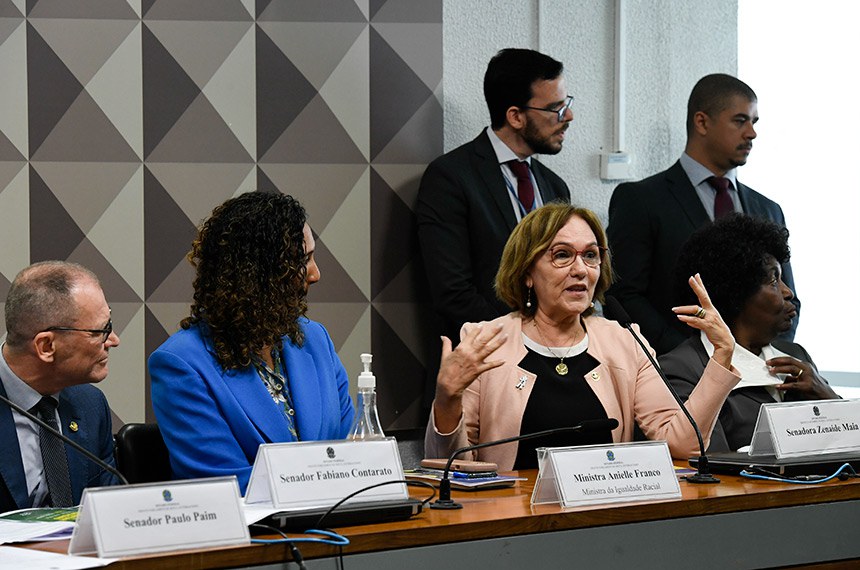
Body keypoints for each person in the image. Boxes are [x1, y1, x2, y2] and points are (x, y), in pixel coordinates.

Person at [425, 203, 741, 470]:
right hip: (513, 525)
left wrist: (722, 354)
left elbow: (683, 445)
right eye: (562, 255)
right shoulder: (484, 342)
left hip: (604, 515)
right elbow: (448, 467)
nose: (581, 270)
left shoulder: (625, 342)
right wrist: (447, 399)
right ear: (527, 274)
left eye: (590, 255)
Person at [149, 192, 354, 493]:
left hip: (344, 529)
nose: (316, 273)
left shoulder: (315, 340)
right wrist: (330, 480)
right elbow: (223, 483)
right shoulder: (181, 364)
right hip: (259, 536)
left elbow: (353, 449)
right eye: (303, 260)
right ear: (258, 275)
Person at [606, 73, 800, 355]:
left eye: (754, 122)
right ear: (702, 122)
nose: (752, 133)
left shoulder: (768, 209)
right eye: (740, 120)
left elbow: (789, 297)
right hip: (675, 374)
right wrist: (690, 358)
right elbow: (624, 296)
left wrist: (773, 359)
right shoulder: (641, 200)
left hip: (759, 377)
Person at [416, 48, 572, 344]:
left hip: (553, 363)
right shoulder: (450, 178)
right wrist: (524, 339)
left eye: (567, 105)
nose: (569, 117)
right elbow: (453, 293)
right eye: (556, 109)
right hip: (484, 362)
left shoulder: (555, 187)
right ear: (515, 116)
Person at [660, 215, 837, 452]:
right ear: (736, 292)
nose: (788, 292)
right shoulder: (682, 369)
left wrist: (827, 396)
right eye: (774, 279)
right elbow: (711, 465)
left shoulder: (795, 355)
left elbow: (845, 449)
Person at [0, 261, 120, 512]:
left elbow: (107, 511)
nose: (113, 341)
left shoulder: (90, 405)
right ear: (46, 347)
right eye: (100, 331)